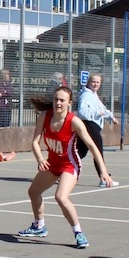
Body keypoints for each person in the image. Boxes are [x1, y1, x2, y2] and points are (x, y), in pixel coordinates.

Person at [16, 86, 114, 249]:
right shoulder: (44, 116)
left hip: (70, 165)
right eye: (56, 99)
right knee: (33, 192)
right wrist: (40, 159)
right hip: (52, 163)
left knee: (61, 197)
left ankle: (78, 233)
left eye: (62, 100)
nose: (58, 103)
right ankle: (39, 226)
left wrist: (103, 171)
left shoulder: (74, 122)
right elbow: (35, 142)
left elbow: (92, 146)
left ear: (70, 103)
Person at [76, 73, 121, 186]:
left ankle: (61, 171)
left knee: (80, 152)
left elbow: (102, 109)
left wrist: (111, 116)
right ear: (88, 82)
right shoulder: (86, 95)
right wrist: (97, 113)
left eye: (98, 82)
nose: (95, 84)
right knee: (98, 152)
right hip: (89, 126)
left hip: (92, 126)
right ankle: (104, 178)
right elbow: (82, 112)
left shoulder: (93, 94)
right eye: (93, 82)